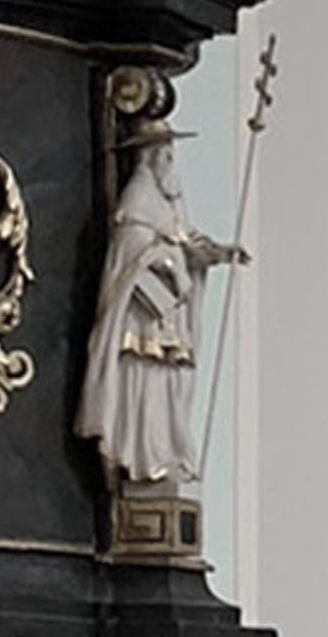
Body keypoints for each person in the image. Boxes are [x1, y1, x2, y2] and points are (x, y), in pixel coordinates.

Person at [79, 97, 244, 518]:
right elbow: (131, 253)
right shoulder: (137, 201)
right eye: (165, 153)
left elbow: (187, 242)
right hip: (140, 319)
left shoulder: (170, 203)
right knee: (143, 384)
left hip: (168, 318)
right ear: (150, 158)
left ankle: (165, 452)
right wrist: (167, 260)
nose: (171, 160)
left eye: (171, 152)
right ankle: (141, 456)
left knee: (170, 386)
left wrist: (218, 253)